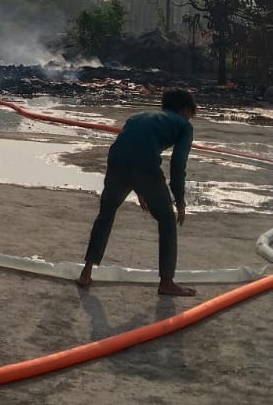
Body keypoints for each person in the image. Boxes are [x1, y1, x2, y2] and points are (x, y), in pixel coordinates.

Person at [78, 88, 198, 297]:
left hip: (116, 160)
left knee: (105, 215)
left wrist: (140, 190)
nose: (190, 117)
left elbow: (130, 149)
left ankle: (86, 273)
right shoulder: (184, 125)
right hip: (144, 165)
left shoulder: (138, 117)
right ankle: (166, 282)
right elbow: (178, 164)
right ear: (185, 109)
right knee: (167, 221)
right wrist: (180, 201)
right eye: (191, 112)